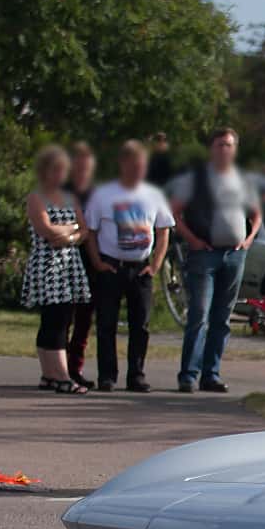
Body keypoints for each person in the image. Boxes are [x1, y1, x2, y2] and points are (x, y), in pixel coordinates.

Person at [166, 127, 261, 393]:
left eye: (229, 145)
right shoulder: (195, 179)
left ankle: (212, 374)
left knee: (223, 317)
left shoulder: (242, 180)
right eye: (220, 145)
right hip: (204, 254)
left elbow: (256, 213)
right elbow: (174, 212)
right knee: (199, 314)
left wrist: (249, 238)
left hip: (235, 254)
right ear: (211, 149)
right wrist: (192, 240)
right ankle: (188, 375)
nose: (224, 150)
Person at [82, 140, 174, 392]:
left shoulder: (154, 195)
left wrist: (155, 266)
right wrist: (98, 262)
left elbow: (164, 232)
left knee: (140, 325)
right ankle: (107, 376)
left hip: (141, 268)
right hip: (111, 266)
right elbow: (91, 232)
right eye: (133, 165)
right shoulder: (103, 194)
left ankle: (136, 375)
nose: (138, 170)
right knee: (106, 323)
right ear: (122, 164)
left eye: (141, 165)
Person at [21, 145, 92, 395]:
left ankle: (50, 375)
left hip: (69, 263)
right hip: (47, 264)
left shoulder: (70, 198)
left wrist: (69, 234)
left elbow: (84, 230)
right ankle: (61, 375)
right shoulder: (36, 197)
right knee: (55, 319)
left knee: (63, 317)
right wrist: (69, 228)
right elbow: (46, 230)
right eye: (55, 170)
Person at [62, 142, 101, 387]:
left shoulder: (98, 194)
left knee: (84, 319)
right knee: (62, 317)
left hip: (90, 261)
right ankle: (58, 368)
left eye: (86, 168)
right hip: (64, 261)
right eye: (78, 167)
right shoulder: (59, 192)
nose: (82, 173)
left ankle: (75, 367)